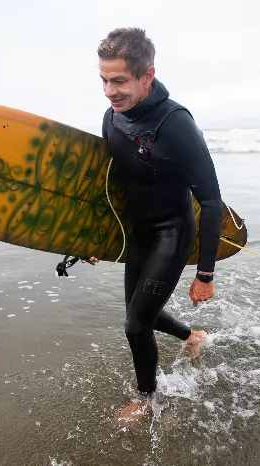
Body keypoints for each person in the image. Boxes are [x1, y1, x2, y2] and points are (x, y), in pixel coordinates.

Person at [86, 27, 224, 423]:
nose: (109, 91)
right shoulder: (111, 118)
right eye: (103, 80)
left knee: (134, 325)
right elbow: (110, 188)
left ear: (147, 75)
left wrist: (205, 274)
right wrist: (94, 238)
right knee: (141, 314)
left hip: (173, 232)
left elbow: (211, 201)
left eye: (119, 81)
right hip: (139, 234)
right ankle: (194, 336)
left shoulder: (175, 122)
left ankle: (147, 400)